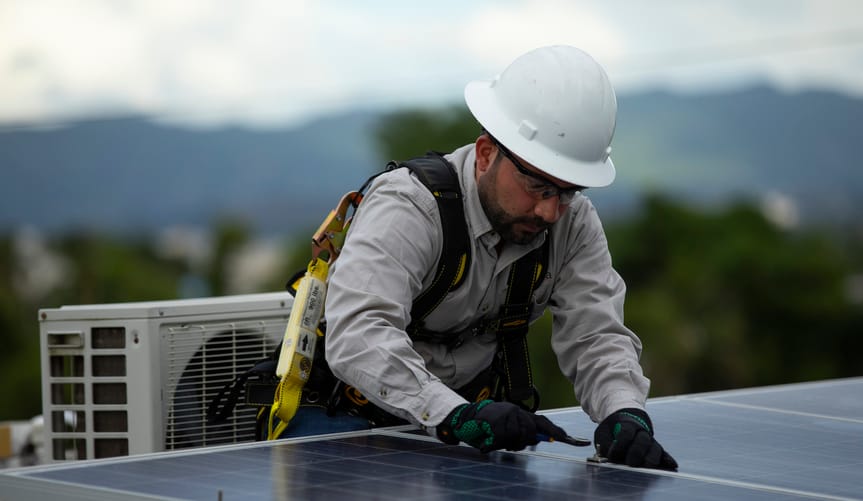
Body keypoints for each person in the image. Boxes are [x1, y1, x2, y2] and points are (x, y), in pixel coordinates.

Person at [320, 45, 677, 470]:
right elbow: (358, 333)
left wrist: (624, 411)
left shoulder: (573, 223)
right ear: (488, 152)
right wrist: (455, 415)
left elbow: (595, 336)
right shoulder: (411, 205)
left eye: (568, 190)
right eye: (537, 185)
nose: (550, 210)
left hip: (464, 437)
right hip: (343, 424)